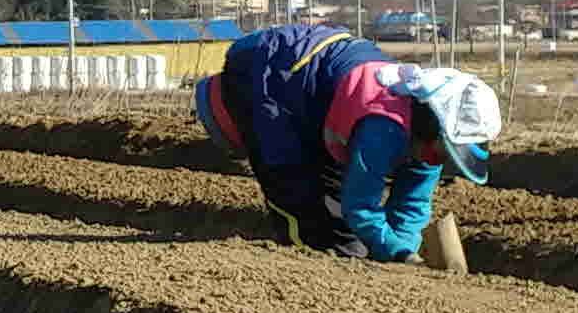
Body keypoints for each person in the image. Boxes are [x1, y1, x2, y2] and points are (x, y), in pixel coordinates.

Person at [189, 23, 498, 260]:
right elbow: (360, 206)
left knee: (350, 228)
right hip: (271, 79)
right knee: (310, 214)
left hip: (323, 98)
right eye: (441, 153)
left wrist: (401, 251)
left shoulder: (431, 141)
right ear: (429, 126)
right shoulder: (382, 127)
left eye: (446, 159)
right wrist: (394, 254)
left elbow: (412, 204)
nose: (436, 162)